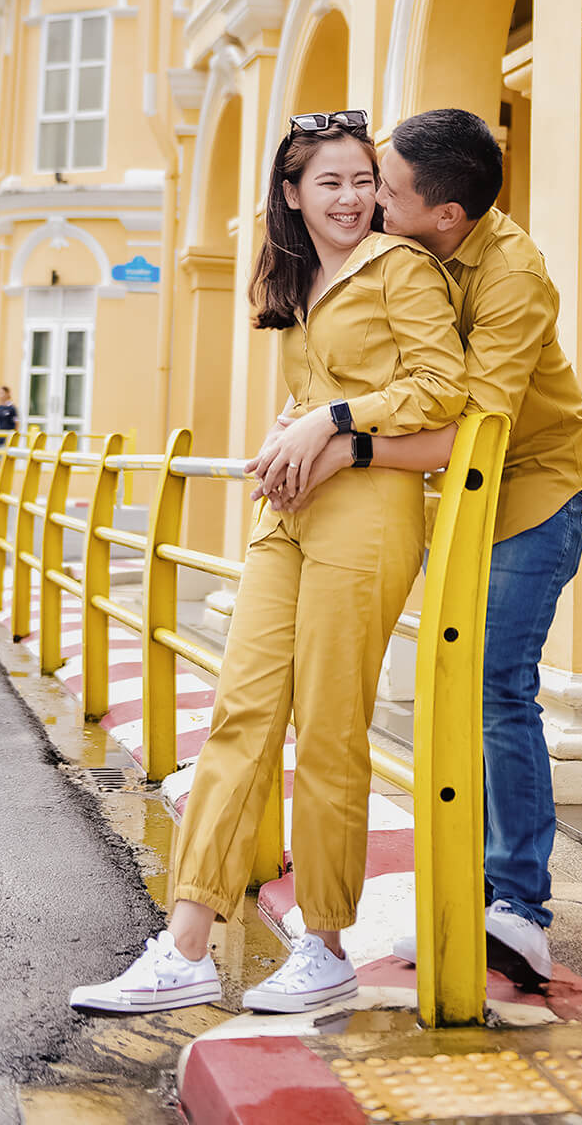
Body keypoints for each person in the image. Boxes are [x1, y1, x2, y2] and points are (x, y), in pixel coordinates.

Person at [70, 109, 468, 1018]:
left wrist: (331, 422)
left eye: (364, 180)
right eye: (330, 182)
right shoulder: (300, 280)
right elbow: (311, 388)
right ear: (292, 195)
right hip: (287, 514)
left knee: (329, 724)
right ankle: (185, 947)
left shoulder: (400, 269)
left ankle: (325, 944)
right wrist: (289, 427)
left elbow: (443, 388)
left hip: (367, 514)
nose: (353, 197)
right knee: (241, 714)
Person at [254, 107, 582, 989]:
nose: (368, 202)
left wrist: (342, 440)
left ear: (445, 215)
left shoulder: (511, 276)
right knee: (453, 685)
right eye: (354, 182)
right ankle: (463, 891)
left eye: (385, 189)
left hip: (530, 492)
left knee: (494, 683)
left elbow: (471, 425)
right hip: (454, 498)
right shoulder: (406, 259)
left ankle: (517, 908)